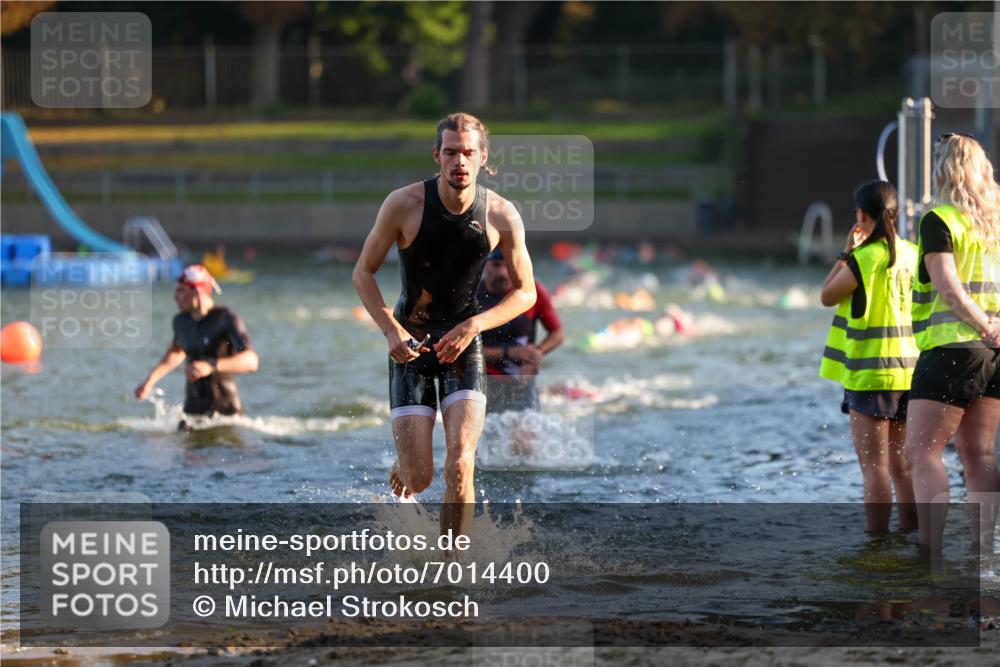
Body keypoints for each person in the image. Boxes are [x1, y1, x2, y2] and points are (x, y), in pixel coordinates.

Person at [352, 112, 536, 536]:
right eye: (451, 152)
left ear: (483, 157)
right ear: (437, 155)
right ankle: (406, 463)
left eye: (468, 152)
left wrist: (473, 327)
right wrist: (391, 330)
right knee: (418, 479)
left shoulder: (501, 214)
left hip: (463, 345)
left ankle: (455, 560)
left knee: (460, 463)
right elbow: (363, 272)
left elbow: (525, 292)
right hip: (410, 346)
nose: (460, 161)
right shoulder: (404, 204)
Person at [902, 133, 1000, 552]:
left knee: (922, 452)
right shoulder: (994, 221)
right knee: (980, 454)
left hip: (953, 348)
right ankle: (984, 549)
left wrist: (982, 325)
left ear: (942, 170)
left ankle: (930, 551)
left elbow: (947, 286)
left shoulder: (939, 219)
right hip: (994, 353)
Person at [819, 180, 919, 535]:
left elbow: (827, 296)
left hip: (871, 374)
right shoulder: (913, 254)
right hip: (911, 372)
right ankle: (911, 537)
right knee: (903, 465)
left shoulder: (863, 259)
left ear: (861, 216)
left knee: (874, 467)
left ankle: (876, 544)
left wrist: (845, 253)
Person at [135, 264, 259, 428]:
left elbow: (251, 361)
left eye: (180, 291)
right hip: (192, 413)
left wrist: (211, 365)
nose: (175, 297)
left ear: (197, 291)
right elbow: (177, 352)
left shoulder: (226, 319)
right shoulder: (181, 321)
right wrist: (150, 381)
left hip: (226, 415)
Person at [478, 247, 564, 414]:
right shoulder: (472, 297)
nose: (502, 272)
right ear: (485, 265)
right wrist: (510, 352)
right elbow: (462, 350)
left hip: (522, 382)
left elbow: (557, 334)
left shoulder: (532, 292)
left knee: (527, 429)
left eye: (508, 266)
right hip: (483, 383)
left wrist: (537, 354)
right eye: (496, 265)